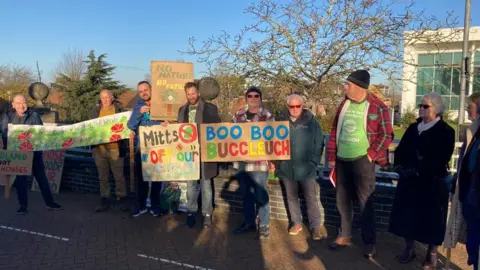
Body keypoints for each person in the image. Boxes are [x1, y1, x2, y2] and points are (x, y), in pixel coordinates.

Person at [326, 70, 393, 258]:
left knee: (365, 202)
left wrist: (371, 155)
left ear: (358, 87)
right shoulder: (344, 104)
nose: (344, 87)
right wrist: (332, 156)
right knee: (342, 200)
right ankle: (344, 235)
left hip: (363, 161)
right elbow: (334, 130)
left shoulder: (377, 107)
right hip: (342, 160)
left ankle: (369, 243)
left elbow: (387, 134)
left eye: (347, 84)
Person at [389, 92, 455, 269]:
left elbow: (442, 157)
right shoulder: (413, 128)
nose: (421, 109)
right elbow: (401, 150)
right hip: (409, 181)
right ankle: (409, 248)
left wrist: (420, 170)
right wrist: (400, 166)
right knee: (406, 216)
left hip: (431, 183)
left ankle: (431, 254)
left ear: (437, 109)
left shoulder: (446, 131)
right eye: (421, 105)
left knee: (431, 220)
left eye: (426, 106)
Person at [276, 94, 327, 240]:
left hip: (306, 167)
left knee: (310, 197)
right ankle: (296, 222)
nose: (294, 109)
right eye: (291, 106)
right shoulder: (280, 121)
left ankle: (315, 226)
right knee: (291, 197)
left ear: (302, 105)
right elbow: (272, 141)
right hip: (287, 167)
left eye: (297, 106)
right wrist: (276, 162)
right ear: (287, 107)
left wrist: (314, 162)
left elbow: (319, 142)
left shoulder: (311, 121)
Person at [1, 94, 63, 214]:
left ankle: (50, 202)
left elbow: (40, 133)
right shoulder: (8, 116)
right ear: (13, 104)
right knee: (21, 181)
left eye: (23, 102)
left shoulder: (34, 115)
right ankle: (23, 205)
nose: (21, 105)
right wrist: (9, 149)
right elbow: (4, 133)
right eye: (18, 103)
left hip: (34, 153)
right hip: (18, 154)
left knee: (42, 179)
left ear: (27, 103)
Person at [232, 86, 274, 240]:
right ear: (247, 98)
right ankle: (249, 222)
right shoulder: (239, 115)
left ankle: (264, 225)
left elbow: (273, 138)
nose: (253, 98)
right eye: (250, 96)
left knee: (261, 193)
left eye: (257, 96)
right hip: (241, 162)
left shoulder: (267, 115)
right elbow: (230, 136)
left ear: (260, 98)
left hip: (258, 162)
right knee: (245, 194)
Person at [177, 82, 221, 229]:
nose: (191, 96)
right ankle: (191, 212)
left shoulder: (210, 108)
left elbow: (217, 129)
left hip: (205, 152)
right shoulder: (182, 110)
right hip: (189, 154)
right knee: (191, 185)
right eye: (188, 94)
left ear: (198, 93)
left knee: (206, 184)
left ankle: (207, 214)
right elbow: (177, 130)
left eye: (193, 93)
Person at [446, 92, 480, 270]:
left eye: (470, 106)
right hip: (469, 196)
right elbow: (467, 165)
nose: (467, 109)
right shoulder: (473, 131)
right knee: (473, 240)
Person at [127, 81, 167, 217]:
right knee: (142, 179)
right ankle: (141, 205)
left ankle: (155, 206)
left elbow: (169, 121)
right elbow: (131, 125)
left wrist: (166, 123)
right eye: (141, 91)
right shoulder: (138, 105)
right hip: (142, 148)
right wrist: (139, 112)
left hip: (158, 147)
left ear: (151, 89)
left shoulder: (160, 104)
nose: (144, 92)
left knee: (157, 179)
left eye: (146, 90)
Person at [89, 89, 128, 212]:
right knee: (103, 176)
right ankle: (104, 200)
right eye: (103, 98)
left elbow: (126, 127)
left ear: (112, 98)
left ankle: (122, 200)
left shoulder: (120, 111)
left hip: (115, 148)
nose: (105, 100)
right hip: (99, 149)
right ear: (100, 99)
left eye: (107, 97)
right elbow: (89, 128)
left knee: (119, 176)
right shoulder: (95, 111)